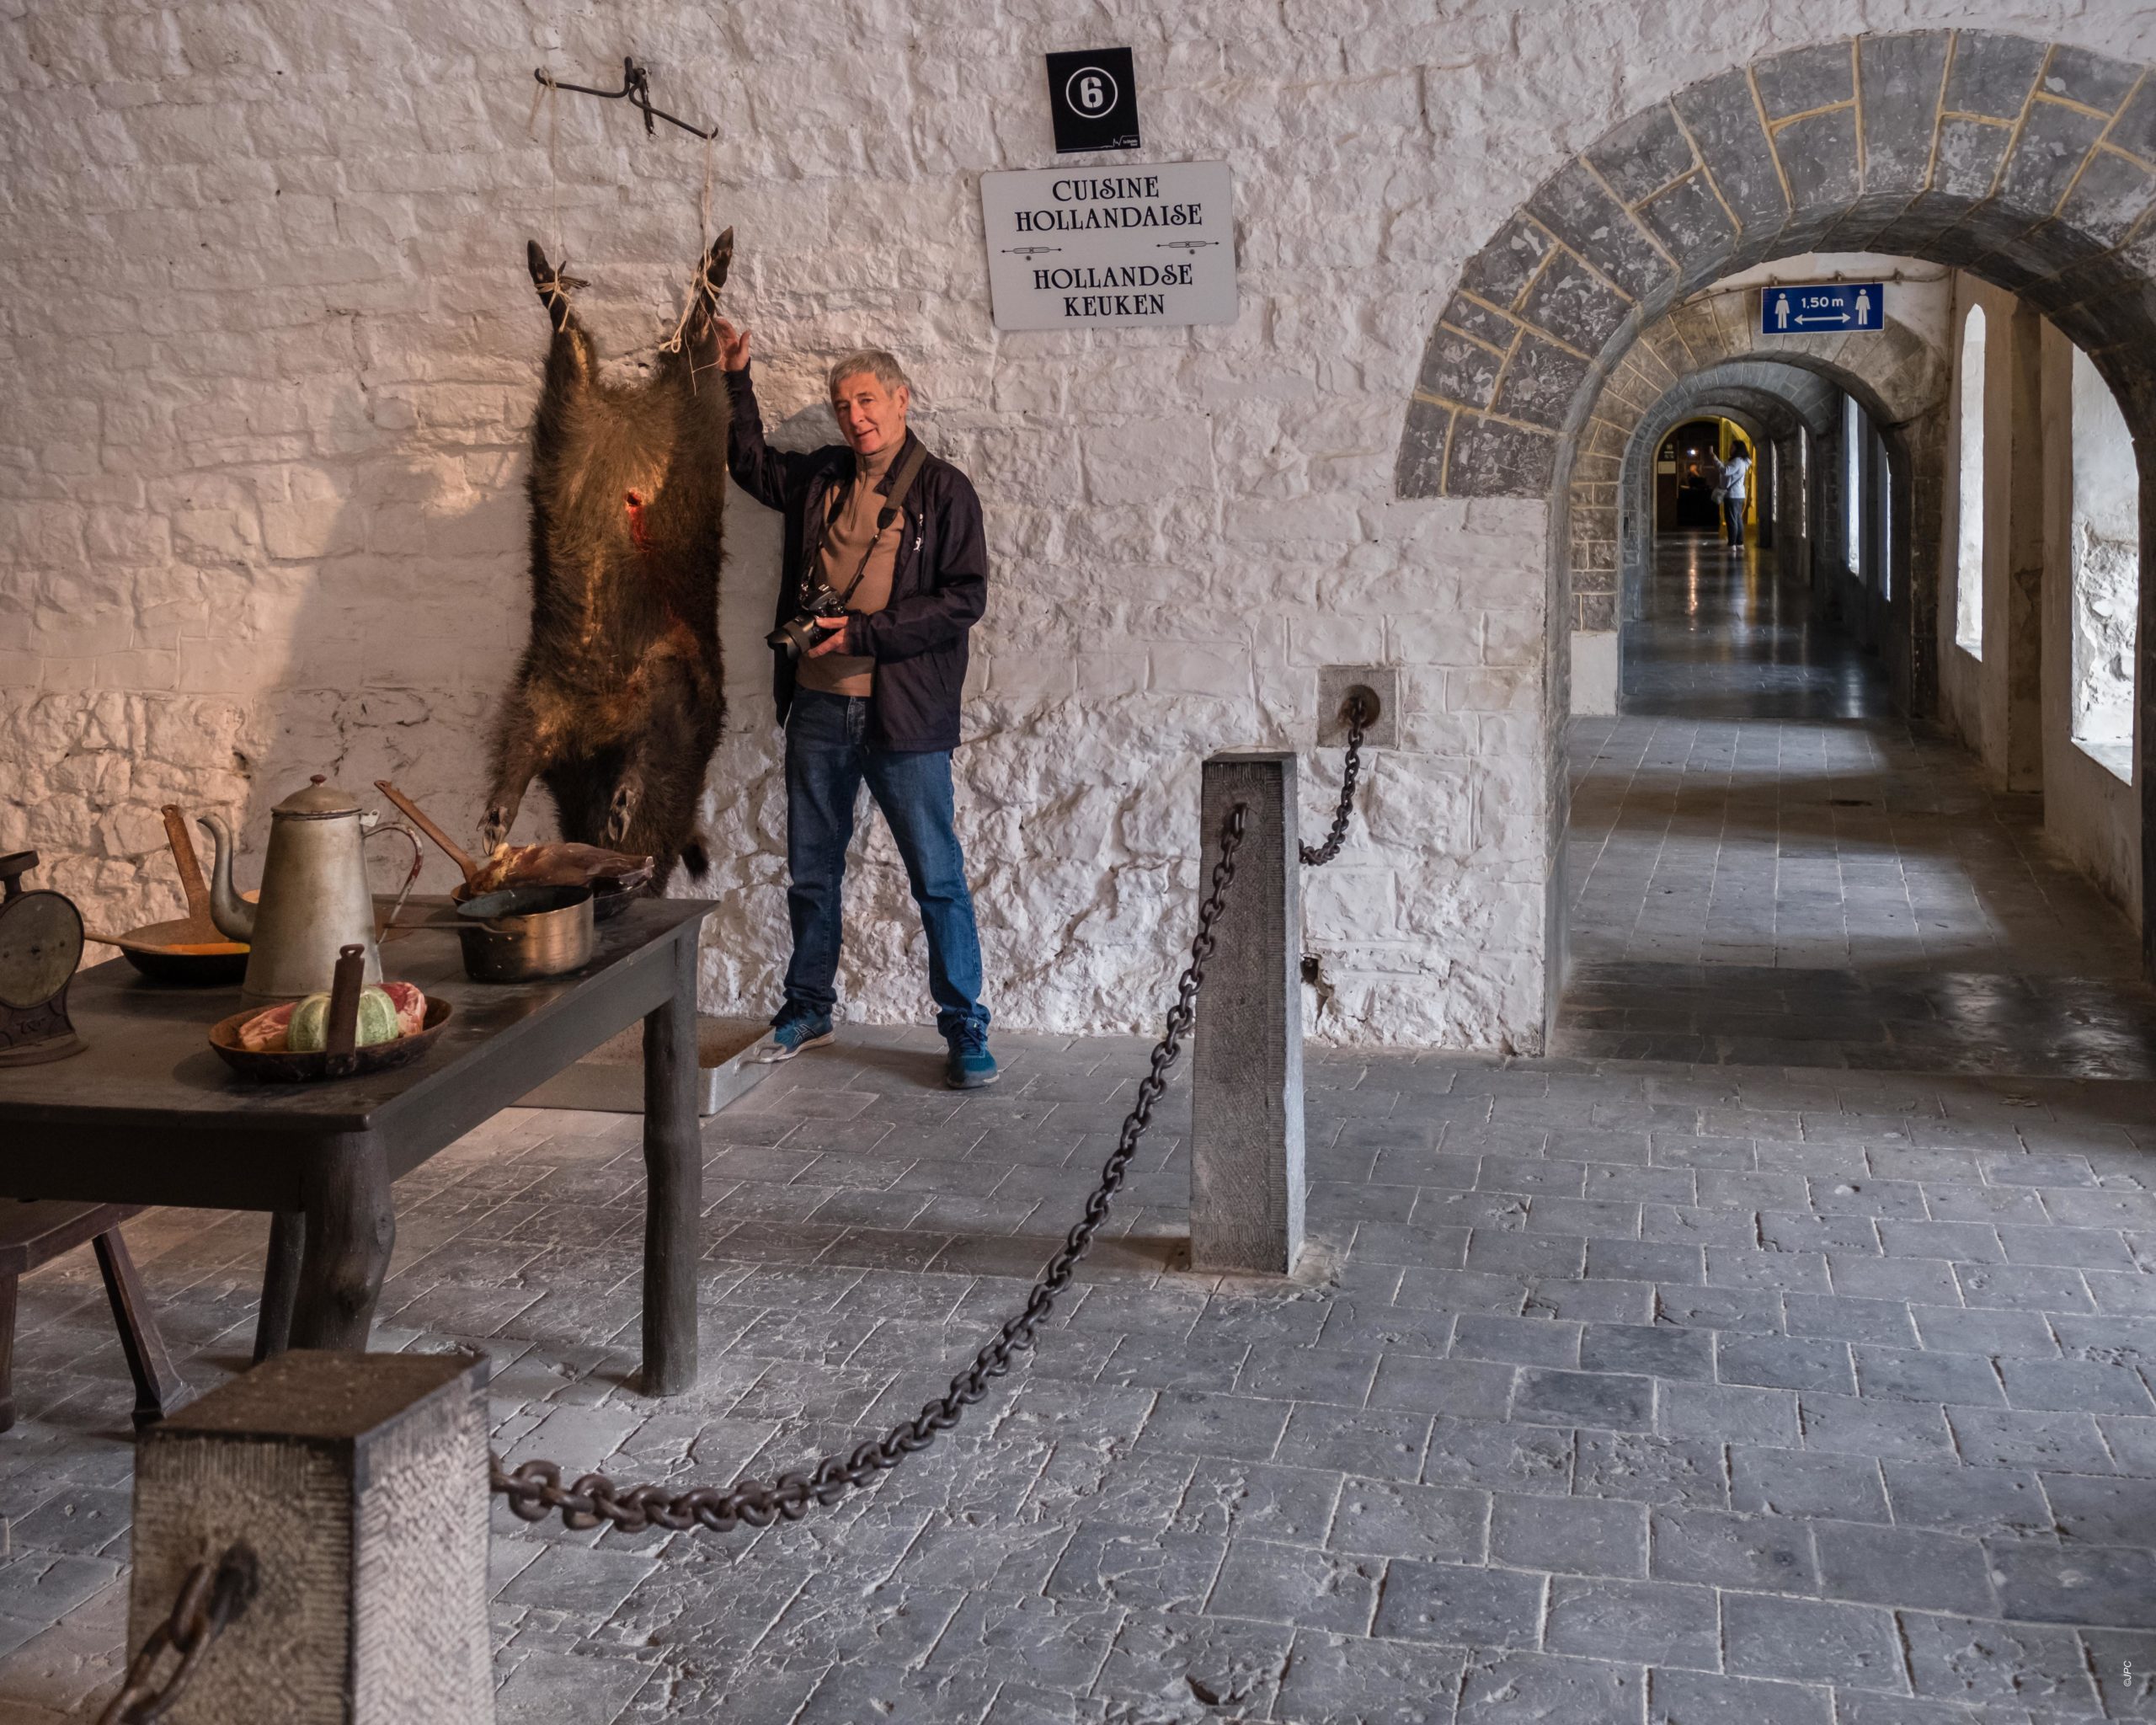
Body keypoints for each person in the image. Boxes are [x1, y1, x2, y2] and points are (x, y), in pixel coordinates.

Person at [711, 320, 998, 1089]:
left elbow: (964, 598)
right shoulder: (823, 477)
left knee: (936, 876)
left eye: (867, 400)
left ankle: (964, 1023)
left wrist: (865, 632)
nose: (855, 416)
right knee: (811, 871)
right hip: (817, 708)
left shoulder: (944, 490)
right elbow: (749, 464)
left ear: (902, 400)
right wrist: (736, 375)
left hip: (904, 714)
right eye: (843, 405)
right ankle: (808, 1008)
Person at [1717, 443, 1752, 547]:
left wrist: (1715, 460)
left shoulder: (1737, 461)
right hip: (1739, 494)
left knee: (1731, 520)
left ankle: (1732, 543)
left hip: (1732, 494)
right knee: (1737, 519)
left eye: (1732, 447)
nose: (1730, 449)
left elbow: (1725, 471)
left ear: (1738, 449)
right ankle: (1739, 543)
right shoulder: (1743, 461)